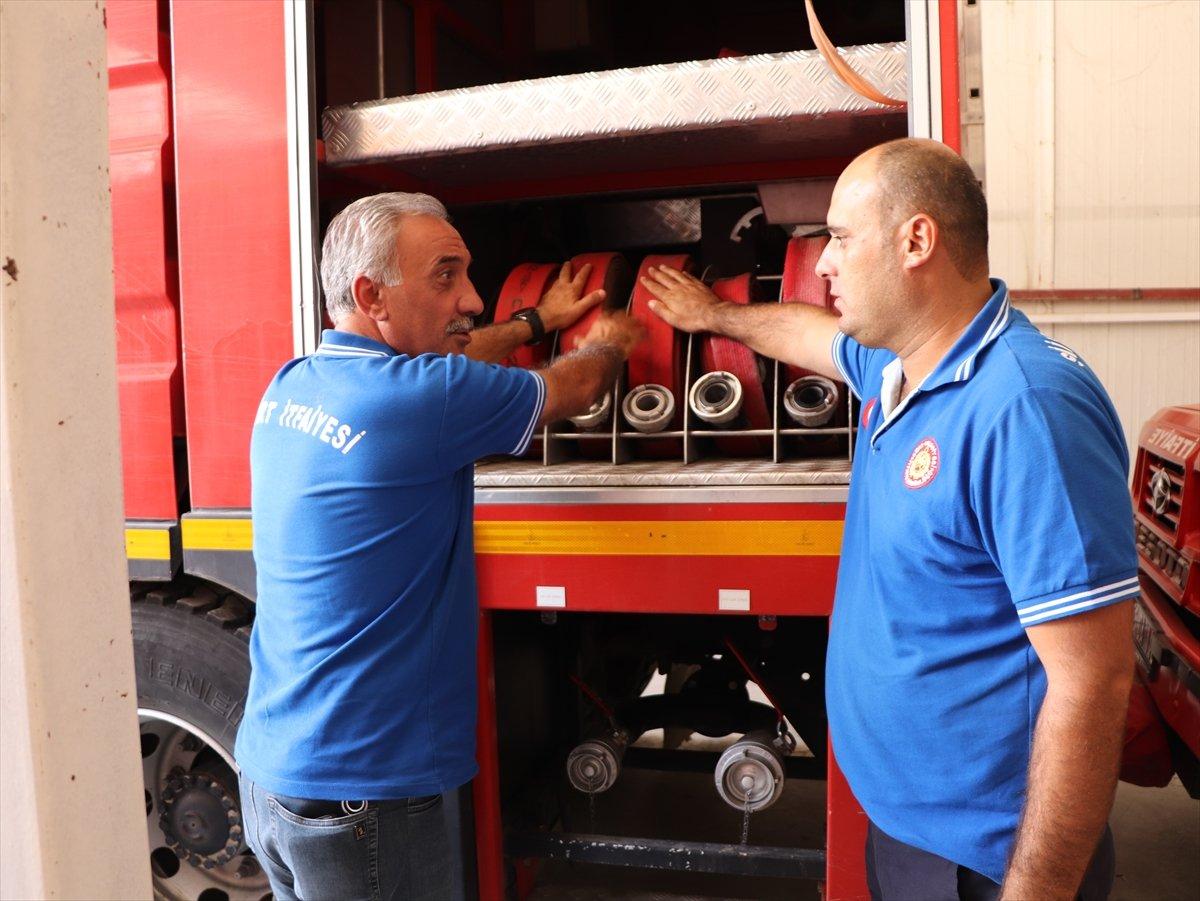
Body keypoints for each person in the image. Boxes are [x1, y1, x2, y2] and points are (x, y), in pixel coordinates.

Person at [643, 138, 1136, 901]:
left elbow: (1094, 684)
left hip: (988, 858)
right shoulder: (903, 364)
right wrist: (715, 315)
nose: (826, 262)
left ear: (917, 241)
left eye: (840, 238)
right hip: (906, 829)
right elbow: (807, 334)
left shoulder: (1024, 409)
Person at [235, 192, 643, 900]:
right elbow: (572, 385)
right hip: (369, 794)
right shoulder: (427, 400)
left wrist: (537, 319)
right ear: (371, 294)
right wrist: (612, 338)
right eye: (445, 276)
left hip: (274, 778)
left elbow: (444, 368)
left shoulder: (294, 382)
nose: (473, 298)